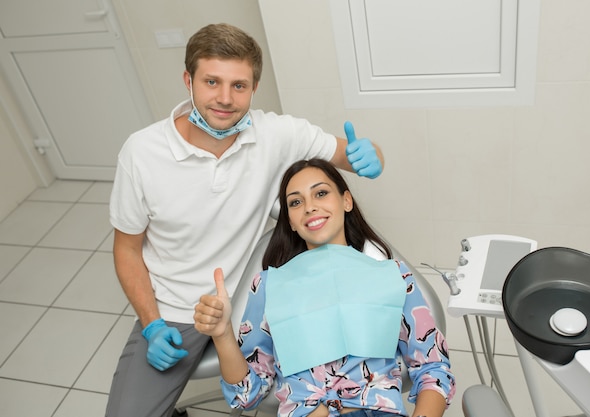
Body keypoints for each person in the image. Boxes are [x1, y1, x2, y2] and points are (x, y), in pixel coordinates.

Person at [106, 23, 385, 417]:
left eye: (239, 86)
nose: (224, 98)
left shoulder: (277, 134)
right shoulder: (141, 153)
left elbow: (351, 153)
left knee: (330, 385)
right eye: (211, 82)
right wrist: (152, 324)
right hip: (174, 310)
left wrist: (371, 157)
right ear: (188, 80)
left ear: (254, 88)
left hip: (254, 299)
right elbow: (127, 248)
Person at [194, 159, 455, 417]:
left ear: (346, 201)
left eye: (321, 193)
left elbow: (434, 368)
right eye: (296, 202)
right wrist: (222, 334)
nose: (310, 207)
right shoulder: (268, 286)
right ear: (291, 222)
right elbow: (246, 396)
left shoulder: (393, 276)